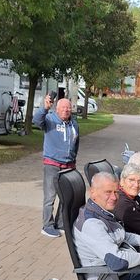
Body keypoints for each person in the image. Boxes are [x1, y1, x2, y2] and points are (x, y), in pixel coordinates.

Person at [33, 94, 79, 238]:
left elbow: (76, 144)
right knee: (50, 197)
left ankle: (60, 224)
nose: (66, 110)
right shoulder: (50, 120)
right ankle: (47, 225)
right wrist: (45, 108)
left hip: (68, 165)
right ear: (57, 109)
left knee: (66, 197)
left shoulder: (74, 124)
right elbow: (36, 120)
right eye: (63, 108)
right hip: (52, 164)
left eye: (68, 108)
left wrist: (73, 160)